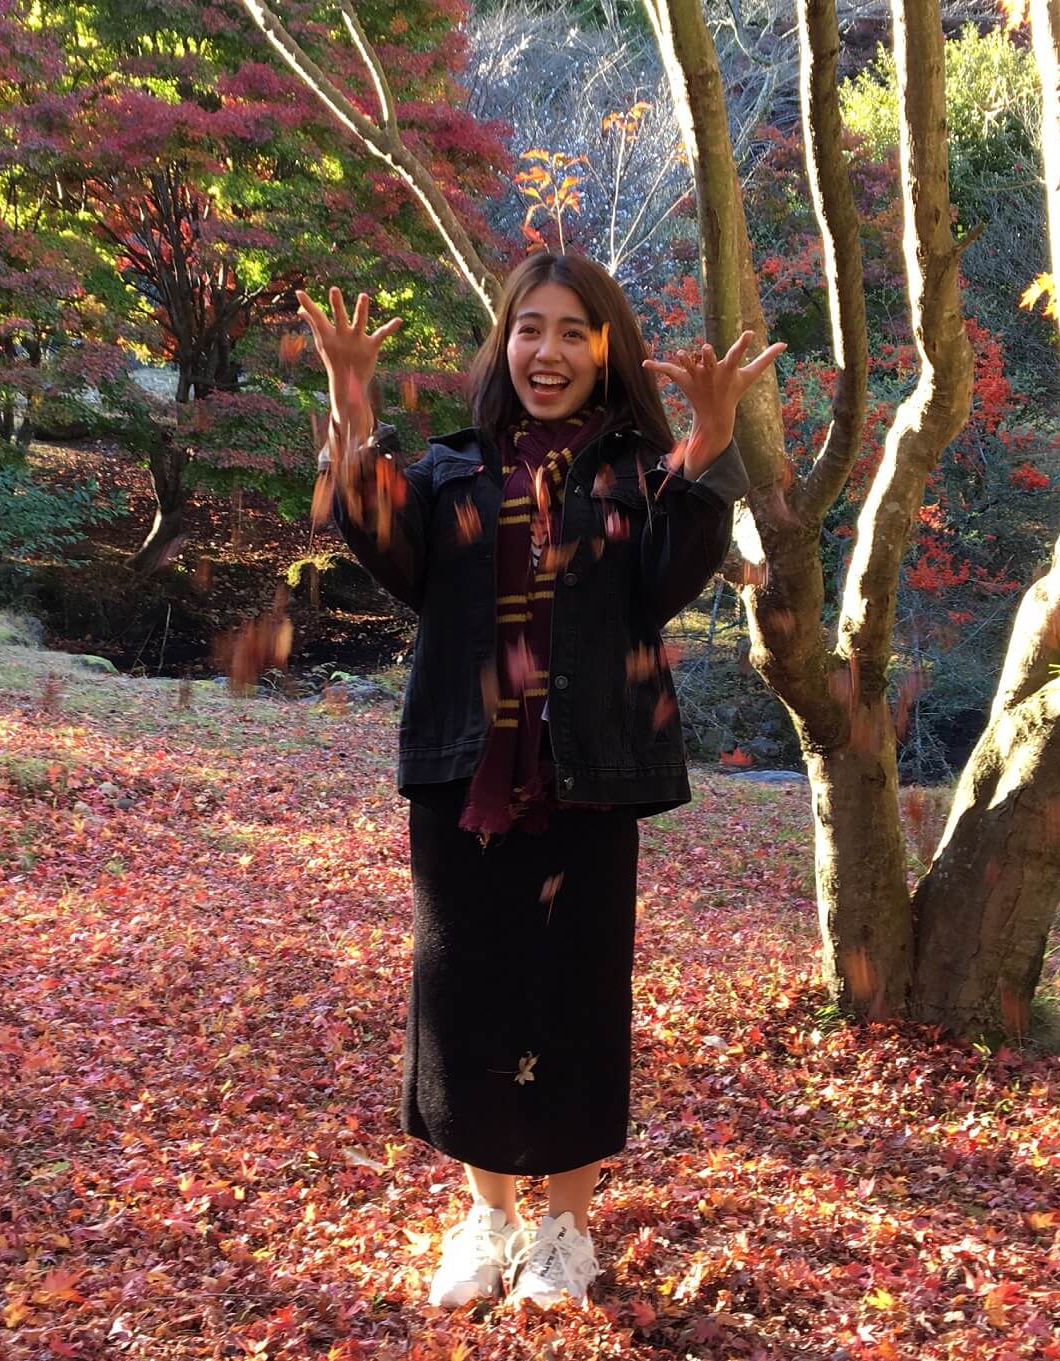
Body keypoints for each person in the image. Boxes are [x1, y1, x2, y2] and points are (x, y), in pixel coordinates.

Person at [298, 252, 780, 1310]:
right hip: (464, 773)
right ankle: (488, 1216)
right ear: (503, 343)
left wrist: (707, 443)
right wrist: (352, 402)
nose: (547, 351)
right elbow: (382, 543)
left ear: (604, 350)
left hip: (587, 774)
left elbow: (666, 581)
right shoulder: (449, 470)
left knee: (574, 997)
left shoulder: (639, 473)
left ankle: (565, 1228)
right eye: (530, 328)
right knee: (466, 991)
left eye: (572, 331)